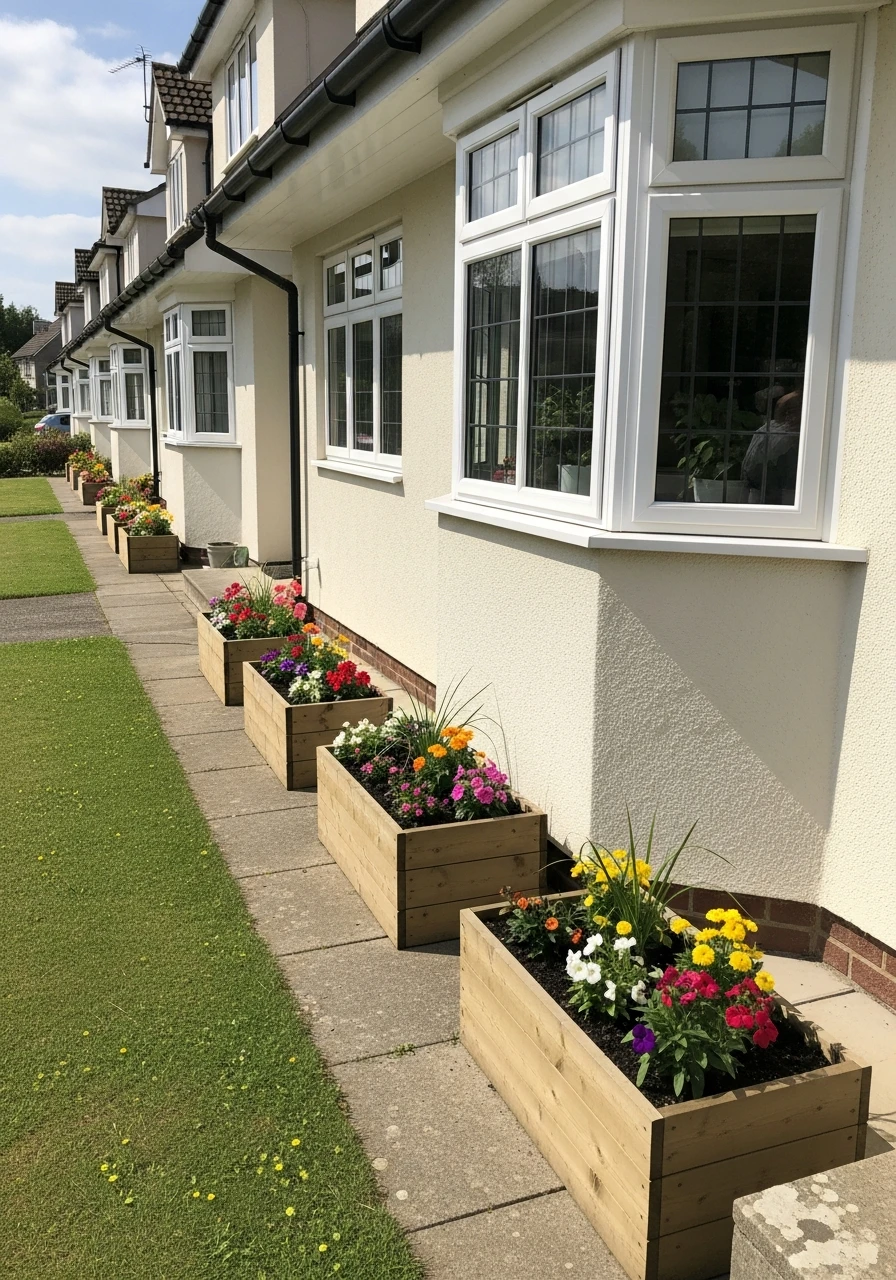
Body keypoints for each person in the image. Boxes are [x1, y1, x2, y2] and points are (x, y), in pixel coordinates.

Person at [741, 389, 801, 504]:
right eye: (788, 412)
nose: (791, 417)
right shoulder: (772, 432)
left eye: (794, 412)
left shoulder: (796, 437)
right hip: (764, 489)